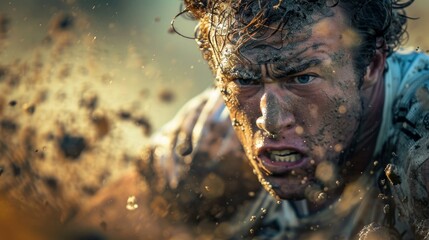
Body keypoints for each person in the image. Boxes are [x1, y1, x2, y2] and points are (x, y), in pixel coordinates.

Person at [75, 0, 429, 239]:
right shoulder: (208, 144)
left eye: (302, 78)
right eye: (245, 81)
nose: (270, 121)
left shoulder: (421, 131)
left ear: (372, 63)